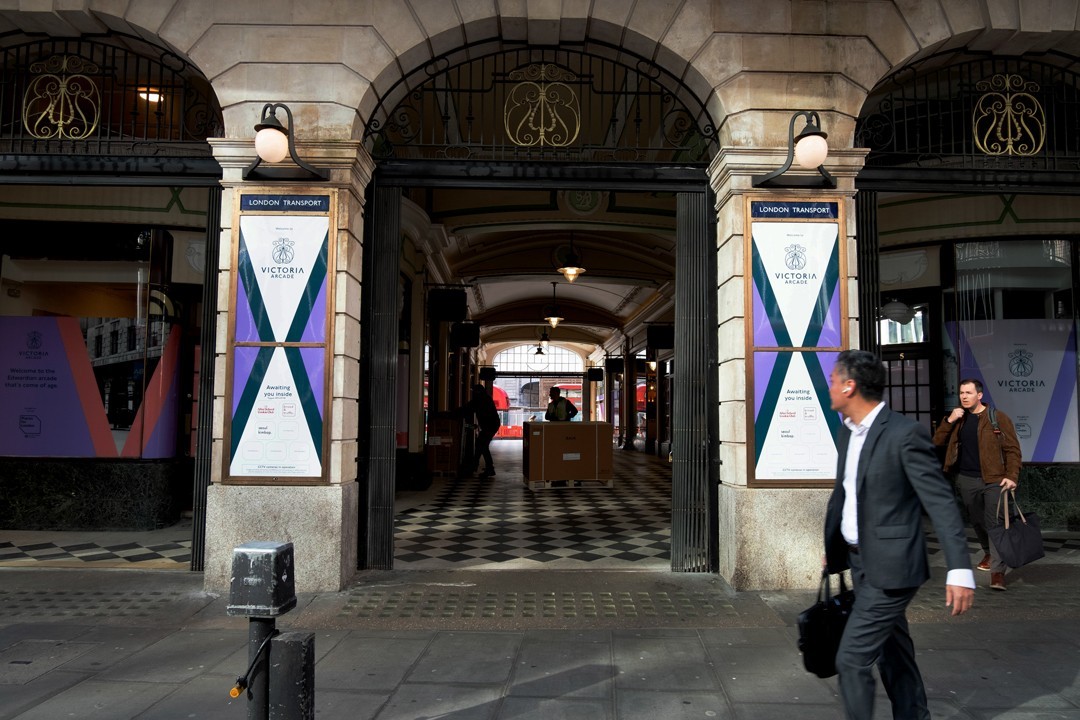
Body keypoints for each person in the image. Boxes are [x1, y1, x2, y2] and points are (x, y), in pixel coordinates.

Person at [824, 350, 974, 720]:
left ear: (849, 385)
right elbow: (846, 492)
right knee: (895, 656)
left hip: (892, 569)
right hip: (860, 561)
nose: (828, 387)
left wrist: (959, 569)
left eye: (832, 380)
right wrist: (836, 543)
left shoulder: (905, 434)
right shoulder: (848, 432)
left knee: (852, 658)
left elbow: (940, 502)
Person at [932, 378, 1022, 591]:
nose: (963, 396)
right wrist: (950, 420)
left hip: (995, 479)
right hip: (966, 478)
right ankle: (988, 551)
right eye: (962, 393)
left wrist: (1012, 476)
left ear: (979, 395)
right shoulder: (959, 419)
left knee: (995, 523)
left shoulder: (997, 418)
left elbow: (1012, 450)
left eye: (968, 393)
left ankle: (998, 572)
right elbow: (936, 441)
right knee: (977, 520)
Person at [464, 384, 501, 478]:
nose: (473, 393)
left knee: (482, 445)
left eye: (474, 391)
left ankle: (486, 468)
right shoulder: (485, 398)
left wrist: (454, 413)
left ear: (477, 392)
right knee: (481, 445)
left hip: (489, 426)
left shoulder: (480, 399)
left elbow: (468, 408)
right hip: (491, 425)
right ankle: (480, 467)